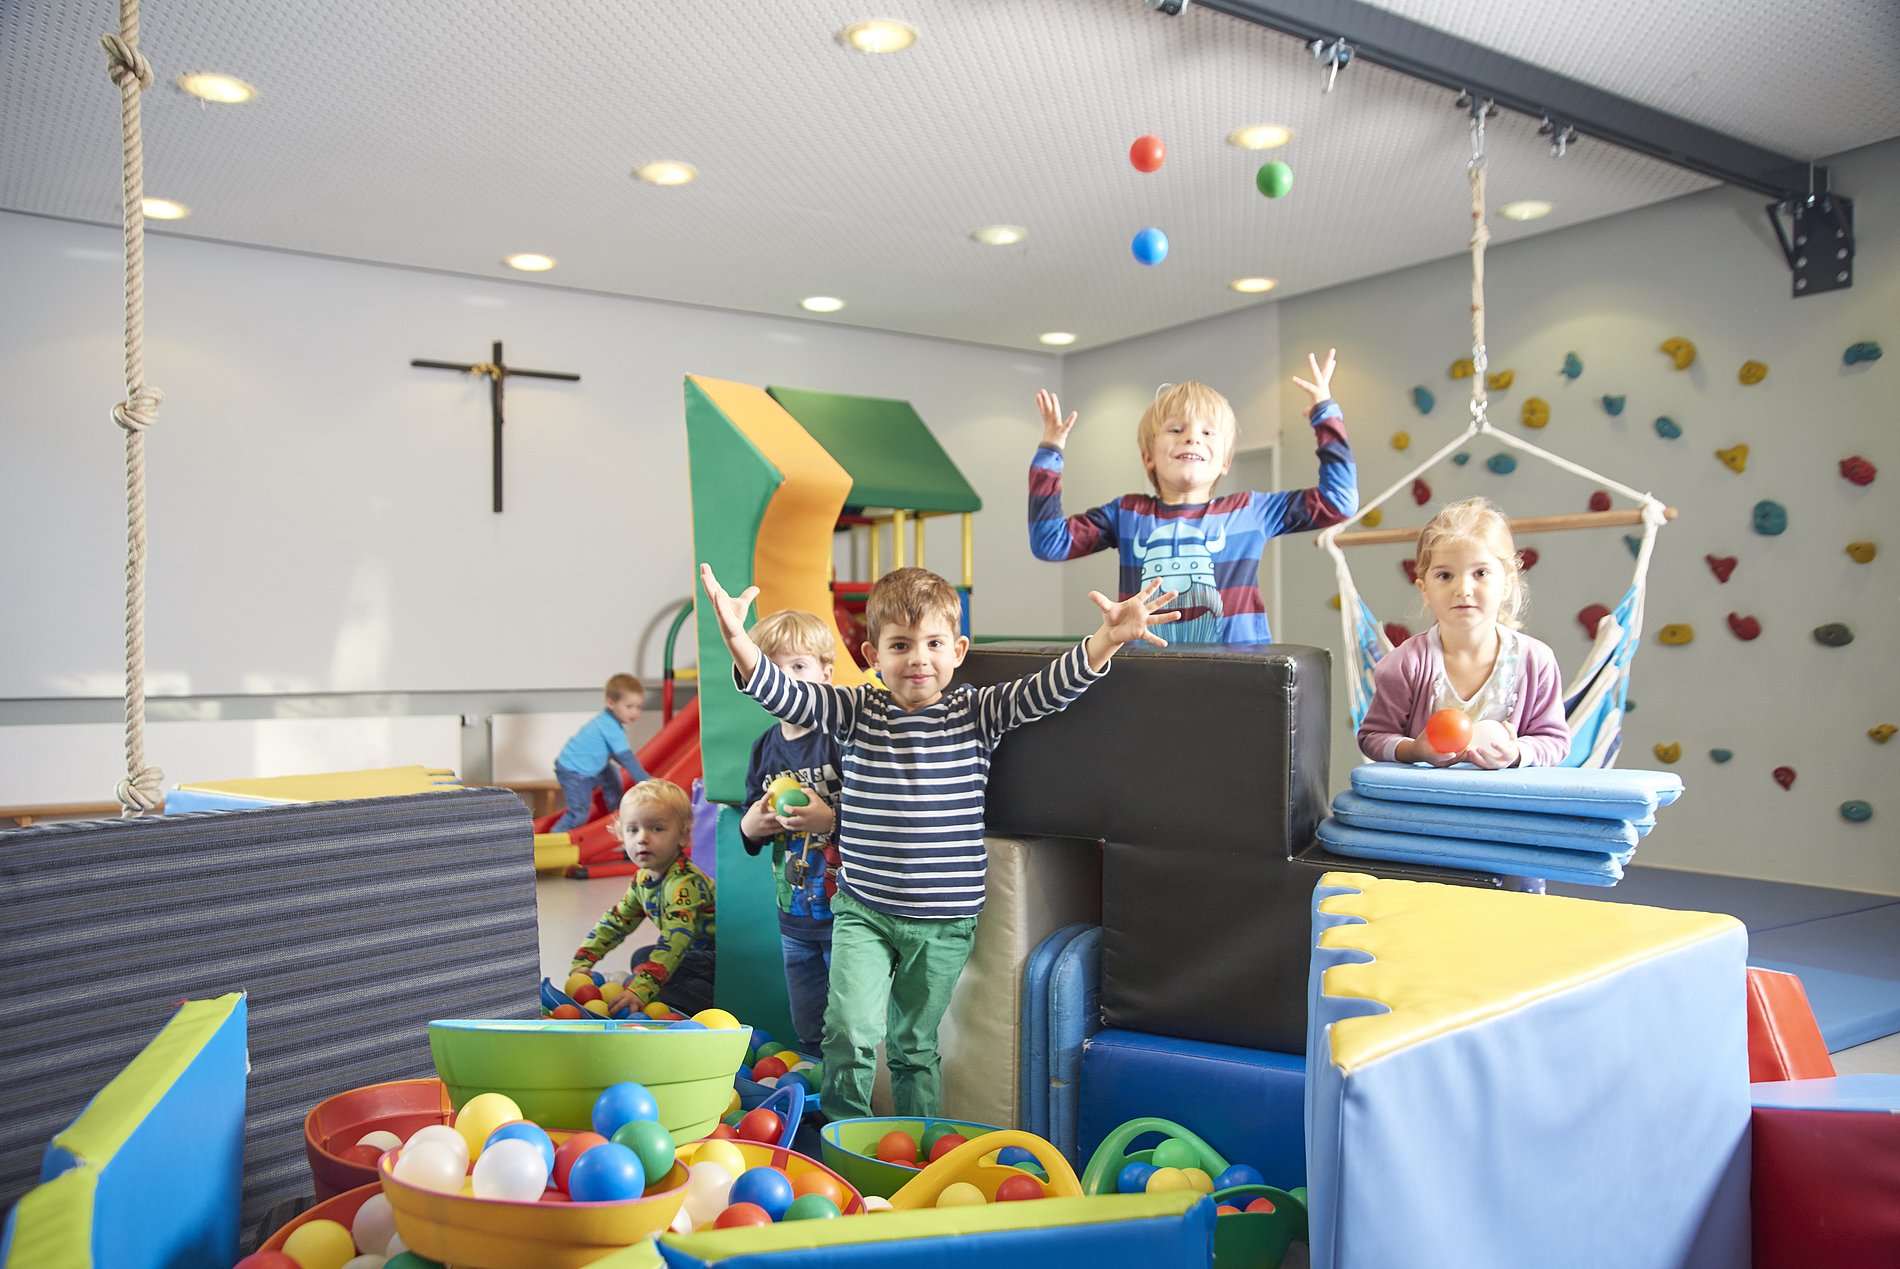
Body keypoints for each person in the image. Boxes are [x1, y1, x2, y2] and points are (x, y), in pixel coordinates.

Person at [699, 561, 1178, 1120]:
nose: (918, 659)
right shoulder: (855, 712)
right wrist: (736, 638)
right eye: (900, 646)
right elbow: (784, 695)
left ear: (958, 650)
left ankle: (914, 1141)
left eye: (933, 644)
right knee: (848, 1029)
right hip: (863, 909)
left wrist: (1107, 639)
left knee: (913, 1044)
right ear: (873, 656)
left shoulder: (975, 712)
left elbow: (1046, 691)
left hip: (944, 918)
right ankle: (845, 1133)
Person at [1027, 350, 1359, 643]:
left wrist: (1325, 415)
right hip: (1149, 675)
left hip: (1239, 675)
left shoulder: (1249, 511)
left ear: (1225, 461)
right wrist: (1050, 453)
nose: (1192, 438)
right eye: (1176, 429)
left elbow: (1339, 501)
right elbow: (1050, 543)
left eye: (1207, 432)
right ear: (1148, 457)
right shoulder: (1126, 513)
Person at [1358, 497, 1571, 769]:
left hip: (1506, 795)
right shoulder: (1404, 664)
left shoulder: (1535, 661)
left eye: (1480, 573)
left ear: (1507, 584)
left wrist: (1516, 753)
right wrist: (1415, 749)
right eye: (1445, 576)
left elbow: (1555, 741)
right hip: (1430, 794)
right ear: (1425, 589)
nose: (1463, 589)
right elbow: (1372, 737)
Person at [737, 609, 845, 1058]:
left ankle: (852, 1083)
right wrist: (751, 825)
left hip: (847, 915)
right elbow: (752, 822)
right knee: (808, 1019)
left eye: (798, 666)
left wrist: (829, 820)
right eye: (772, 669)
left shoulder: (838, 737)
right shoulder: (765, 748)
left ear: (826, 674)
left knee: (848, 1018)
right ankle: (814, 1075)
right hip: (793, 916)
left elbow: (876, 816)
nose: (785, 680)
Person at [570, 779, 716, 1015]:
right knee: (641, 958)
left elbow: (675, 941)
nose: (642, 838)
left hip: (720, 959)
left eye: (656, 829)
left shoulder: (684, 883)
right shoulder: (643, 880)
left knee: (649, 965)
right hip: (694, 956)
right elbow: (617, 921)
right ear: (621, 835)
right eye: (633, 830)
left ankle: (719, 1003)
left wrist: (641, 989)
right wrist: (583, 961)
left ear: (683, 835)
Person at [551, 673, 651, 832]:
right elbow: (626, 758)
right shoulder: (609, 725)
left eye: (638, 707)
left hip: (593, 766)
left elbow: (618, 756)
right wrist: (645, 780)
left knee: (612, 775)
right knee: (579, 813)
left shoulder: (610, 722)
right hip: (574, 772)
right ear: (611, 703)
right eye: (629, 707)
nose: (634, 712)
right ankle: (554, 837)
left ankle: (616, 808)